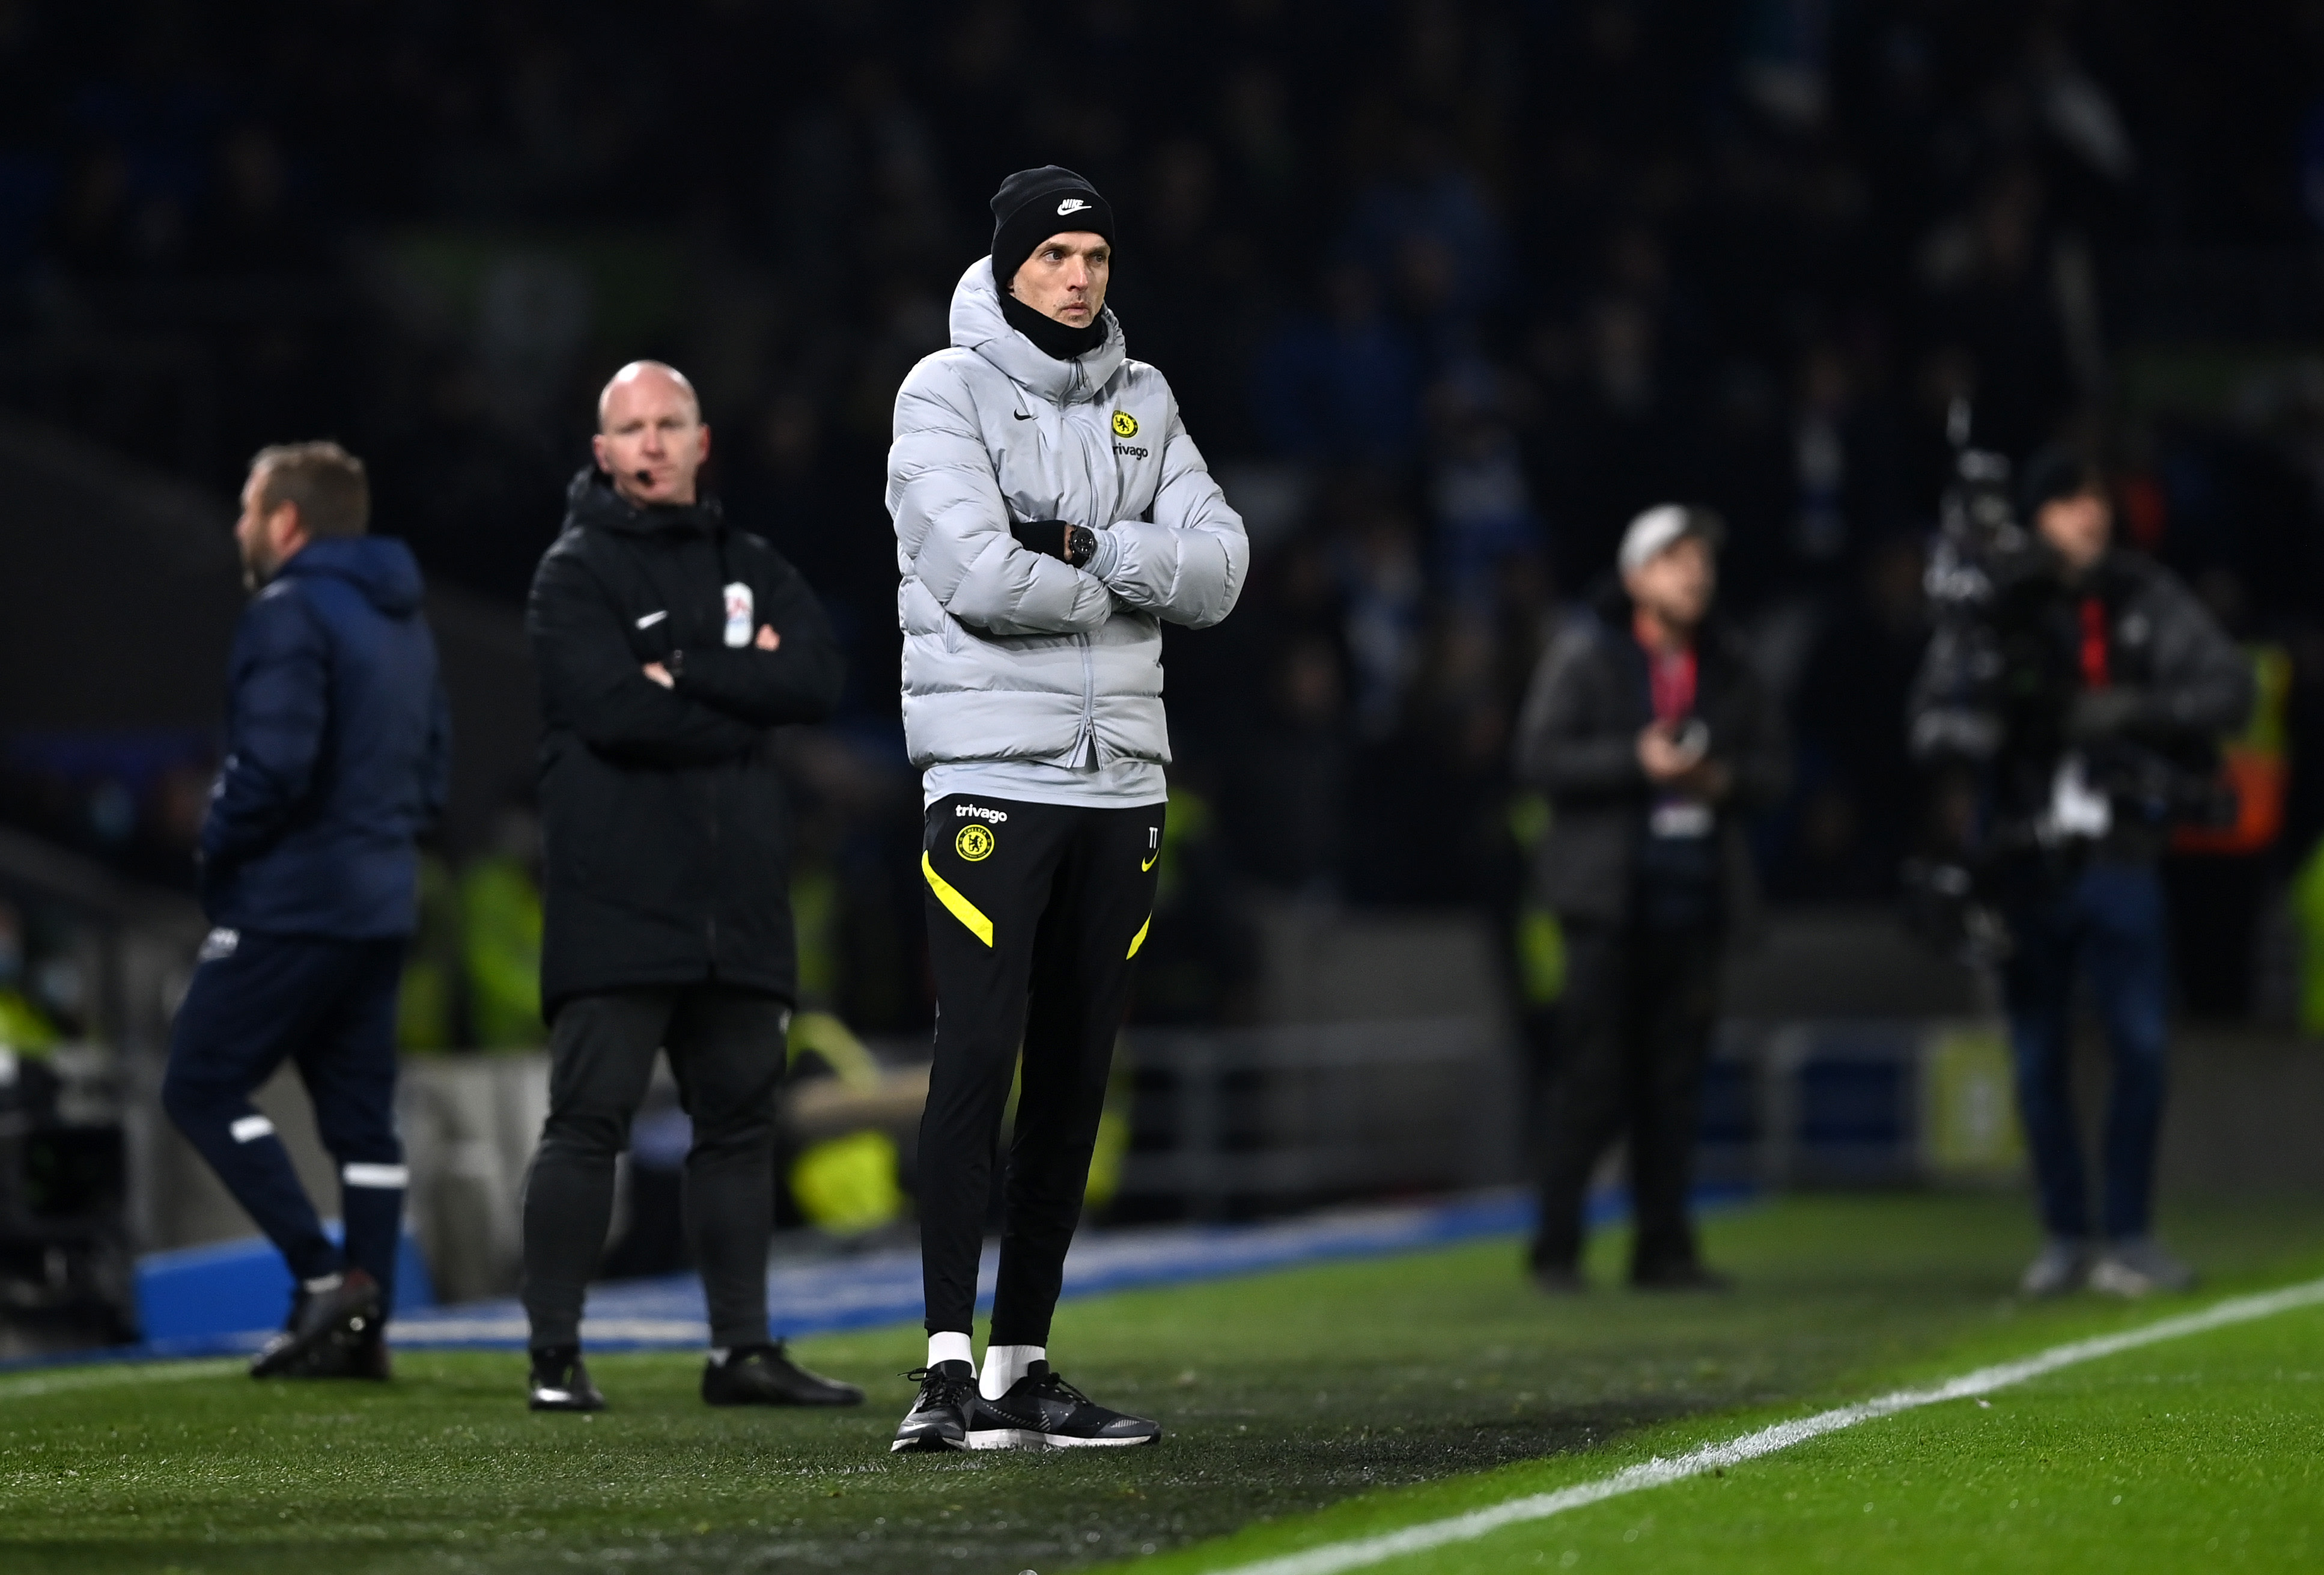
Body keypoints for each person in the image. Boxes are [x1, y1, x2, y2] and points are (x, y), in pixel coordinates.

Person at [884, 166, 1247, 1451]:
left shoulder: (1143, 399)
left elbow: (1223, 567)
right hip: (992, 769)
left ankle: (1018, 1364)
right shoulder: (941, 390)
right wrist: (1137, 575)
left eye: (1094, 253)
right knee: (977, 1056)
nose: (1079, 275)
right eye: (1054, 256)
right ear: (1007, 266)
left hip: (1122, 780)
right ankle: (939, 1364)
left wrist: (1091, 549)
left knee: (1077, 1077)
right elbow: (978, 576)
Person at [518, 361, 862, 1412]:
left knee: (740, 1131)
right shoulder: (571, 576)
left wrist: (689, 669)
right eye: (634, 428)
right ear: (603, 451)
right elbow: (615, 711)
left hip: (741, 904)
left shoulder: (752, 560)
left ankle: (741, 1350)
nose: (655, 443)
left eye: (673, 423)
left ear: (703, 443)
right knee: (589, 1124)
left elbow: (816, 678)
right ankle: (555, 1358)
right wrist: (741, 688)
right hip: (617, 898)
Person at [1910, 448, 2251, 1298]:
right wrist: (1990, 730)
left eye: (2096, 500)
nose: (2087, 516)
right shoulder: (1996, 605)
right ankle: (2067, 1234)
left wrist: (2130, 709)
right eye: (2065, 502)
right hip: (2027, 858)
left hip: (2118, 853)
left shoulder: (2140, 593)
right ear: (2032, 519)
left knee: (2141, 1044)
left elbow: (2230, 688)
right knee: (2036, 1057)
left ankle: (2128, 1234)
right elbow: (1929, 721)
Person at [160, 441, 449, 1379]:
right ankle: (365, 1331)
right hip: (380, 899)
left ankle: (325, 1277)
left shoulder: (287, 611)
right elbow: (435, 769)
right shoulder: (401, 618)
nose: (242, 526)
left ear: (287, 520)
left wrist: (219, 845)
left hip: (296, 895)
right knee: (363, 1122)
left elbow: (271, 765)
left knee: (200, 1081)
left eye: (250, 509)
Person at [1512, 505, 1787, 1293]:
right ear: (1636, 577)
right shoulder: (1588, 655)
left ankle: (1663, 1248)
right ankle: (1556, 1246)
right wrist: (1636, 761)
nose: (1694, 571)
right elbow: (1537, 756)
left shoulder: (1730, 663)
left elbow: (1772, 768)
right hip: (1607, 901)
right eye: (1675, 557)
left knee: (1676, 1085)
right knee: (1591, 1079)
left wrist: (1722, 780)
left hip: (1692, 896)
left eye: (1702, 558)